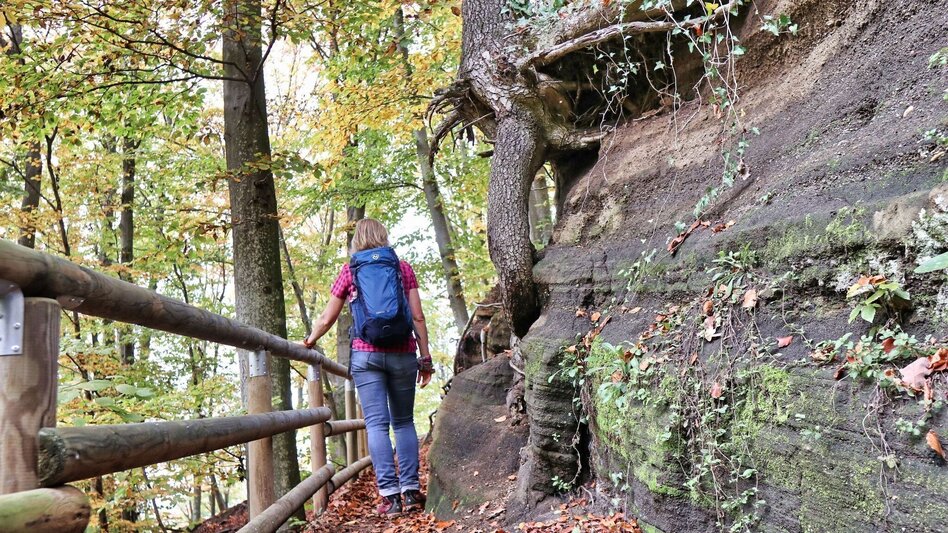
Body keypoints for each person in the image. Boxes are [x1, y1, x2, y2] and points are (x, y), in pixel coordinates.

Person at [302, 218, 434, 516]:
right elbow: (418, 317)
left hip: (366, 355)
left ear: (357, 241)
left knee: (376, 424)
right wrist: (425, 359)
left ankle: (390, 497)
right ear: (384, 237)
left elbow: (327, 318)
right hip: (402, 354)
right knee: (403, 422)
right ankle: (411, 492)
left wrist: (309, 340)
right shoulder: (403, 268)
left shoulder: (350, 271)